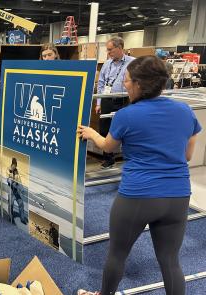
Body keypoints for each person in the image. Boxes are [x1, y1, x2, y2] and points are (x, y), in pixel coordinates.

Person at [77, 55, 201, 295]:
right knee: (170, 261)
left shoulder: (126, 115)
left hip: (138, 195)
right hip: (178, 196)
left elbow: (107, 146)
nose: (124, 85)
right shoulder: (186, 111)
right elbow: (187, 155)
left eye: (127, 80)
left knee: (117, 254)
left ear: (139, 85)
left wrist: (91, 133)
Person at [96, 37, 135, 168]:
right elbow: (101, 83)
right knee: (105, 129)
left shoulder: (132, 63)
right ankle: (108, 158)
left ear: (120, 48)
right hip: (107, 99)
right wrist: (99, 102)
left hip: (124, 100)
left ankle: (128, 157)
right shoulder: (107, 63)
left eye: (110, 50)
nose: (108, 53)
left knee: (126, 129)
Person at [6, 157, 27, 224]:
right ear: (12, 164)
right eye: (14, 165)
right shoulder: (8, 169)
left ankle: (22, 218)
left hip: (17, 191)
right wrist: (12, 183)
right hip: (11, 190)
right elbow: (8, 179)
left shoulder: (16, 171)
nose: (15, 166)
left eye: (16, 165)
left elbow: (19, 180)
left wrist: (22, 189)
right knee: (11, 204)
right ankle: (10, 217)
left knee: (21, 203)